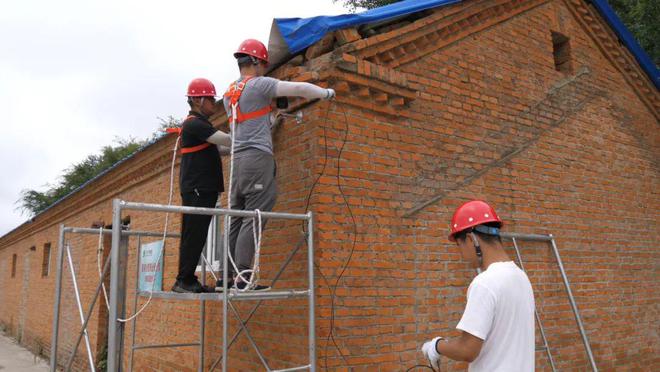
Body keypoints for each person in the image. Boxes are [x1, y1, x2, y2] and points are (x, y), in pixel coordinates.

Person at [218, 39, 335, 291]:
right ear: (257, 62)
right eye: (263, 64)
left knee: (237, 217)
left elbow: (249, 122)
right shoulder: (260, 85)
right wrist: (326, 93)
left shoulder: (230, 93)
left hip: (237, 162)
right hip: (256, 159)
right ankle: (244, 277)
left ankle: (227, 276)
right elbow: (300, 89)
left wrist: (271, 120)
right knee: (256, 215)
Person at [421, 200, 535, 371]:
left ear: (470, 239)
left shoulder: (485, 283)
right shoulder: (521, 277)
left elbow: (467, 350)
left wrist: (436, 346)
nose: (462, 255)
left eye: (459, 246)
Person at [171, 78, 232, 293]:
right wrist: (256, 132)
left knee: (195, 234)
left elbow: (222, 148)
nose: (213, 104)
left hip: (199, 188)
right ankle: (184, 280)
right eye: (210, 99)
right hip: (198, 187)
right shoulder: (194, 124)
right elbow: (228, 141)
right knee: (194, 234)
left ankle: (186, 279)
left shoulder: (199, 126)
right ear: (198, 100)